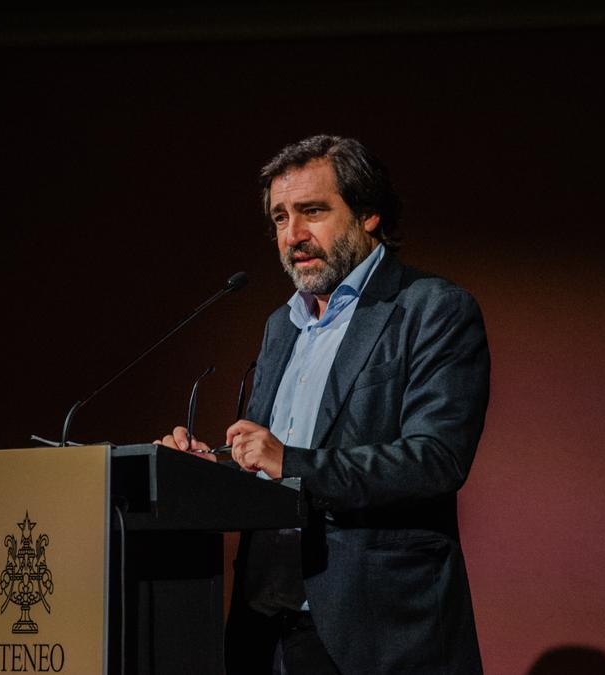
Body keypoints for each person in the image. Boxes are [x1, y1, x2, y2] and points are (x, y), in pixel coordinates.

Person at [159, 134, 490, 674]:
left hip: (374, 632)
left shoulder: (431, 310)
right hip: (265, 627)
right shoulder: (281, 324)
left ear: (368, 214)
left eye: (312, 211)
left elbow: (436, 460)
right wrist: (205, 471)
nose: (293, 235)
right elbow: (267, 467)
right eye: (280, 218)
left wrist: (290, 461)